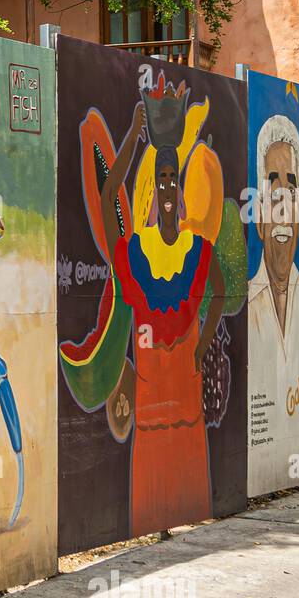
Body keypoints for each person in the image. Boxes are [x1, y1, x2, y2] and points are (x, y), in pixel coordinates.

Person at [98, 75, 225, 535]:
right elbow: (109, 195)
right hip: (149, 423)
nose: (169, 189)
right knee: (149, 514)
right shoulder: (137, 250)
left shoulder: (197, 245)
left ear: (182, 188)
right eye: (162, 179)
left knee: (193, 503)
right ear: (156, 187)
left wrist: (199, 346)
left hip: (188, 413)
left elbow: (222, 291)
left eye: (174, 179)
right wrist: (133, 136)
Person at [246, 115, 299, 492]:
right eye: (271, 185)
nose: (281, 198)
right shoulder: (242, 310)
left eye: (290, 187)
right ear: (259, 215)